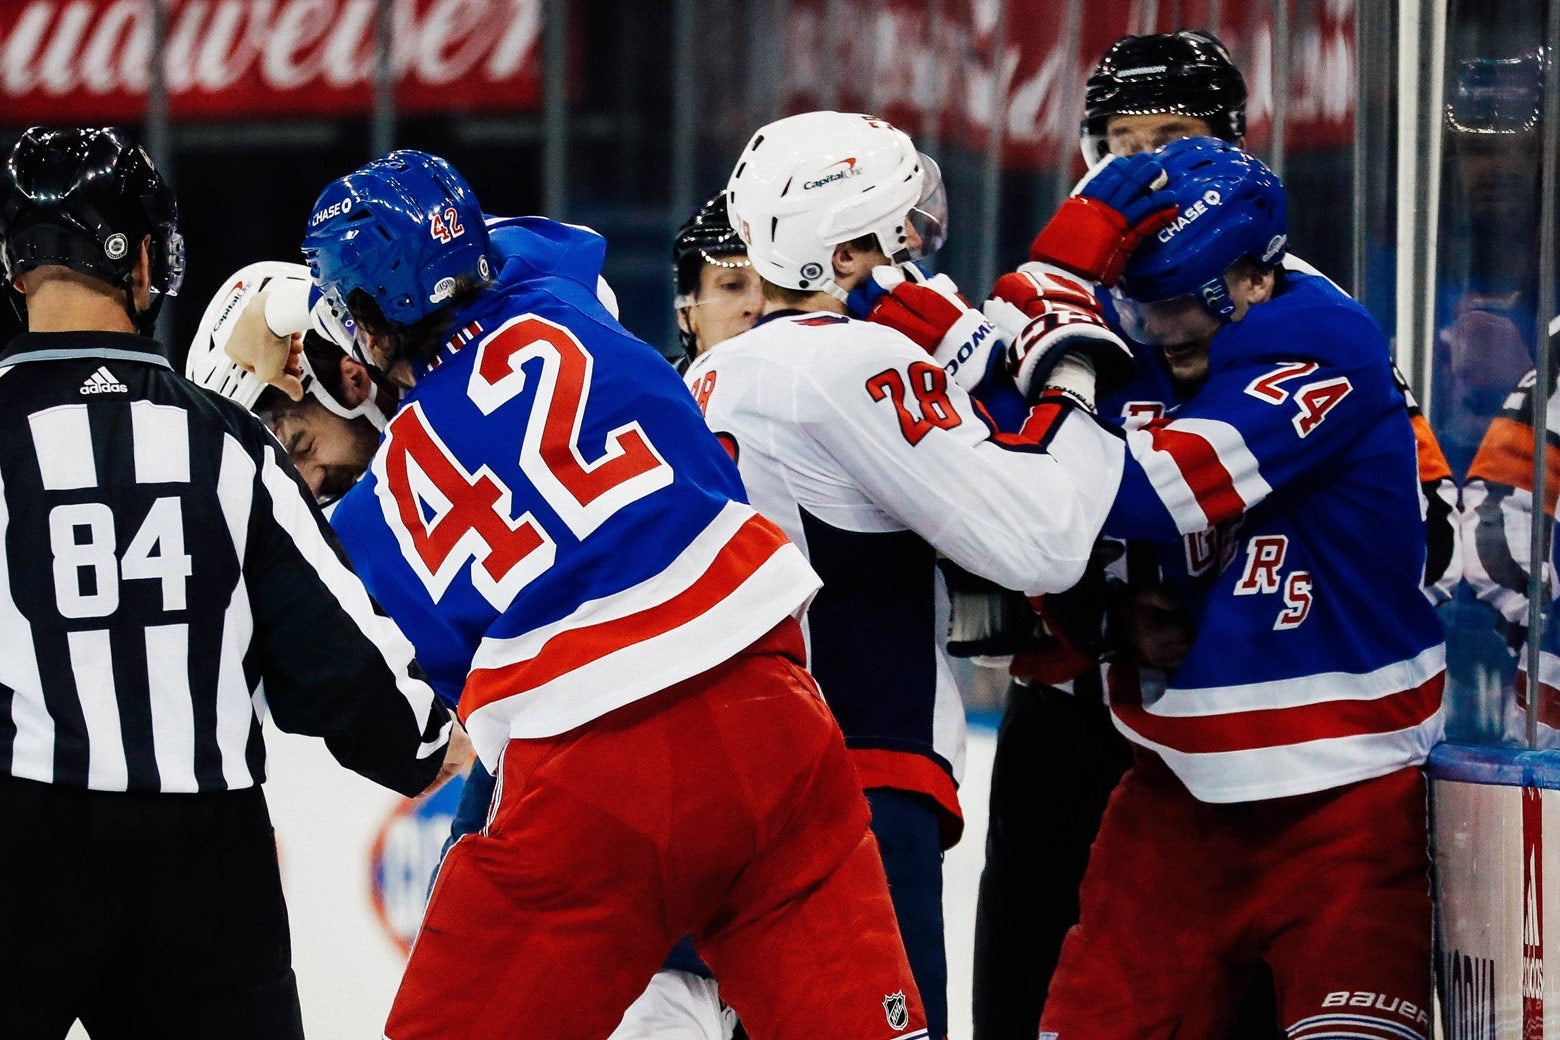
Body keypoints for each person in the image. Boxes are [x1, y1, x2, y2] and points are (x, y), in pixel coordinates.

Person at [300, 148, 929, 1040]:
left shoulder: (373, 517)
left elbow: (458, 696)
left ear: (364, 319)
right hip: (777, 725)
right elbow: (539, 247)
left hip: (596, 791)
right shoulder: (560, 294)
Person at [969, 31, 1460, 1040]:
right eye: (1121, 144)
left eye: (1174, 139)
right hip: (1120, 746)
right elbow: (983, 511)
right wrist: (1101, 603)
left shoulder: (1305, 315)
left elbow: (1434, 524)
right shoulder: (1073, 312)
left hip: (1333, 767)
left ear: (1231, 151)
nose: (1146, 172)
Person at [188, 258, 746, 1040]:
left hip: (607, 773)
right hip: (731, 699)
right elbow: (558, 254)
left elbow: (357, 697)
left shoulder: (366, 529)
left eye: (297, 441)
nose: (307, 477)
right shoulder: (523, 309)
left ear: (339, 371)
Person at [0, 126, 467, 1040]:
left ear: (16, 272)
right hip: (204, 860)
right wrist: (430, 746)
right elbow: (331, 644)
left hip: (23, 843)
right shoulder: (223, 438)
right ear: (142, 259)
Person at [688, 109, 1140, 1040]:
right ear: (843, 251)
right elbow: (1045, 537)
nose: (917, 247)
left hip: (742, 783)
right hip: (851, 778)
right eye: (897, 227)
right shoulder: (852, 361)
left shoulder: (710, 374)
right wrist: (1073, 372)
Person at [672, 191, 761, 369]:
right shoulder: (645, 394)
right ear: (687, 313)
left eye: (777, 288)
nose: (756, 306)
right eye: (732, 285)